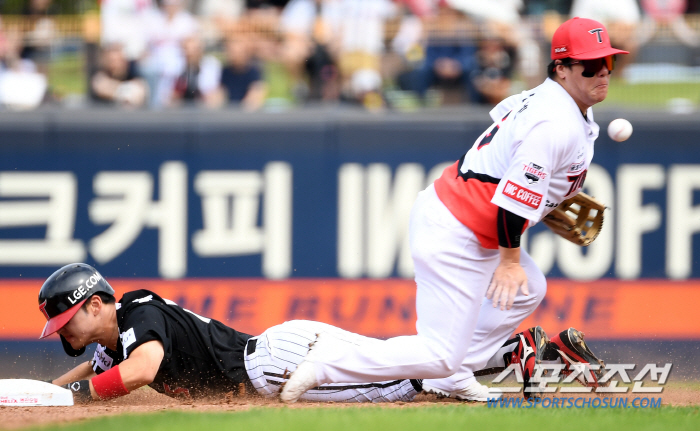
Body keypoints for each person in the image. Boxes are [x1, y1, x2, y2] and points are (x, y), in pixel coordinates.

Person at [281, 16, 626, 403]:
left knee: (529, 289)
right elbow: (513, 197)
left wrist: (545, 204)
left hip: (468, 219)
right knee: (439, 353)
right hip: (456, 228)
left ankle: (455, 377)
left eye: (607, 63)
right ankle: (329, 364)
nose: (602, 74)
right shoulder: (554, 122)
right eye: (590, 66)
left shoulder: (559, 104)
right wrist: (510, 260)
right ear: (561, 69)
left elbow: (505, 160)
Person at [40, 263, 605, 403]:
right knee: (399, 365)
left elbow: (137, 373)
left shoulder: (137, 310)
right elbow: (97, 369)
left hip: (274, 366)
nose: (66, 332)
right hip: (281, 348)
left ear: (94, 305)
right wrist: (47, 396)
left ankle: (515, 355)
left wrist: (81, 396)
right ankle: (523, 351)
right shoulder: (118, 337)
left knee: (402, 383)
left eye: (67, 321)